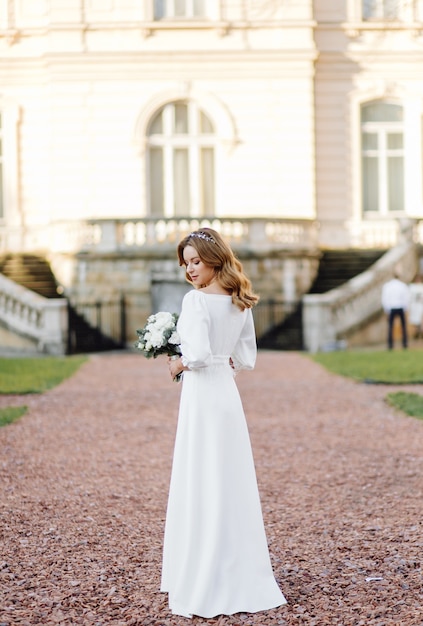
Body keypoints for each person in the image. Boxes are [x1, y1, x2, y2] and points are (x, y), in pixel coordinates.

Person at [161, 227, 287, 618]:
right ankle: (237, 569)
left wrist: (178, 362)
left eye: (195, 261)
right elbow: (246, 358)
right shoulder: (240, 301)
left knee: (201, 477)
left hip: (201, 395)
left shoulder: (196, 301)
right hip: (227, 396)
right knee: (229, 480)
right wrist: (220, 360)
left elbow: (196, 353)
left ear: (214, 259)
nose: (190, 270)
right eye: (186, 264)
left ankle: (203, 573)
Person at [381, 273, 410, 350]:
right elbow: (406, 298)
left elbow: (385, 298)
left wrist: (386, 309)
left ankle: (390, 345)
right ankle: (405, 344)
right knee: (403, 327)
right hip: (400, 307)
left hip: (391, 307)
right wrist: (406, 308)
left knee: (390, 327)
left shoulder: (387, 286)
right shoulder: (403, 285)